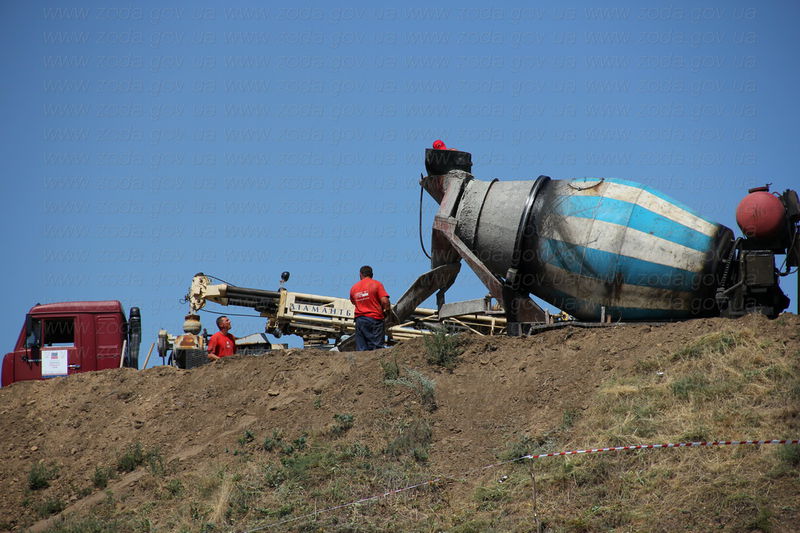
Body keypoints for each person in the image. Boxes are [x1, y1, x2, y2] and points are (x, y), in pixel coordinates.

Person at [349, 265, 391, 351]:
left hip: (360, 321)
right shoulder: (377, 284)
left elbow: (353, 302)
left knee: (361, 350)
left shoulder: (354, 288)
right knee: (377, 349)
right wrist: (387, 312)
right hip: (375, 319)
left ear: (360, 275)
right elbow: (385, 301)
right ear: (372, 274)